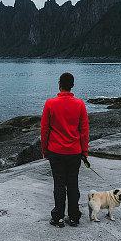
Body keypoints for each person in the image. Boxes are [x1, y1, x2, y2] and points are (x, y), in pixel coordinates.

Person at [40, 72, 89, 228]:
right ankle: (74, 217)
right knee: (73, 184)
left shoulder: (50, 103)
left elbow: (44, 129)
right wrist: (84, 152)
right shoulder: (80, 104)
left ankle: (58, 217)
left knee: (59, 184)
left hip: (55, 151)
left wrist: (45, 150)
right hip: (75, 151)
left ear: (59, 84)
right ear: (72, 85)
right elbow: (84, 130)